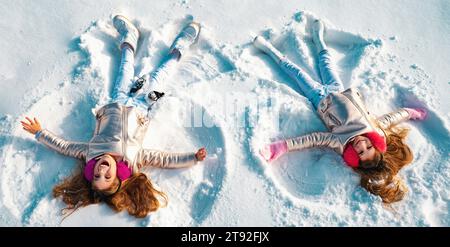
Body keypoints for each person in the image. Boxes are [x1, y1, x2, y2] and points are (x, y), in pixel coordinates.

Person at [20, 15, 207, 218]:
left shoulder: (91, 152)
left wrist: (39, 132)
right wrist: (192, 158)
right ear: (118, 176)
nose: (102, 169)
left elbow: (64, 147)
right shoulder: (133, 160)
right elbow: (162, 159)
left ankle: (130, 36)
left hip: (116, 102)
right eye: (107, 176)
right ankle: (182, 44)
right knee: (161, 74)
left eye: (96, 175)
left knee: (125, 67)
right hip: (142, 107)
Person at [255, 19, 427, 203]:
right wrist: (410, 113)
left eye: (360, 152)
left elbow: (312, 139)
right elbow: (391, 118)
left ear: (355, 156)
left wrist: (281, 147)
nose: (362, 145)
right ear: (375, 144)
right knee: (325, 62)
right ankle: (318, 37)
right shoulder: (375, 129)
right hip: (339, 89)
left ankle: (268, 49)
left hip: (319, 98)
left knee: (295, 72)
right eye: (368, 147)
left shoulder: (341, 143)